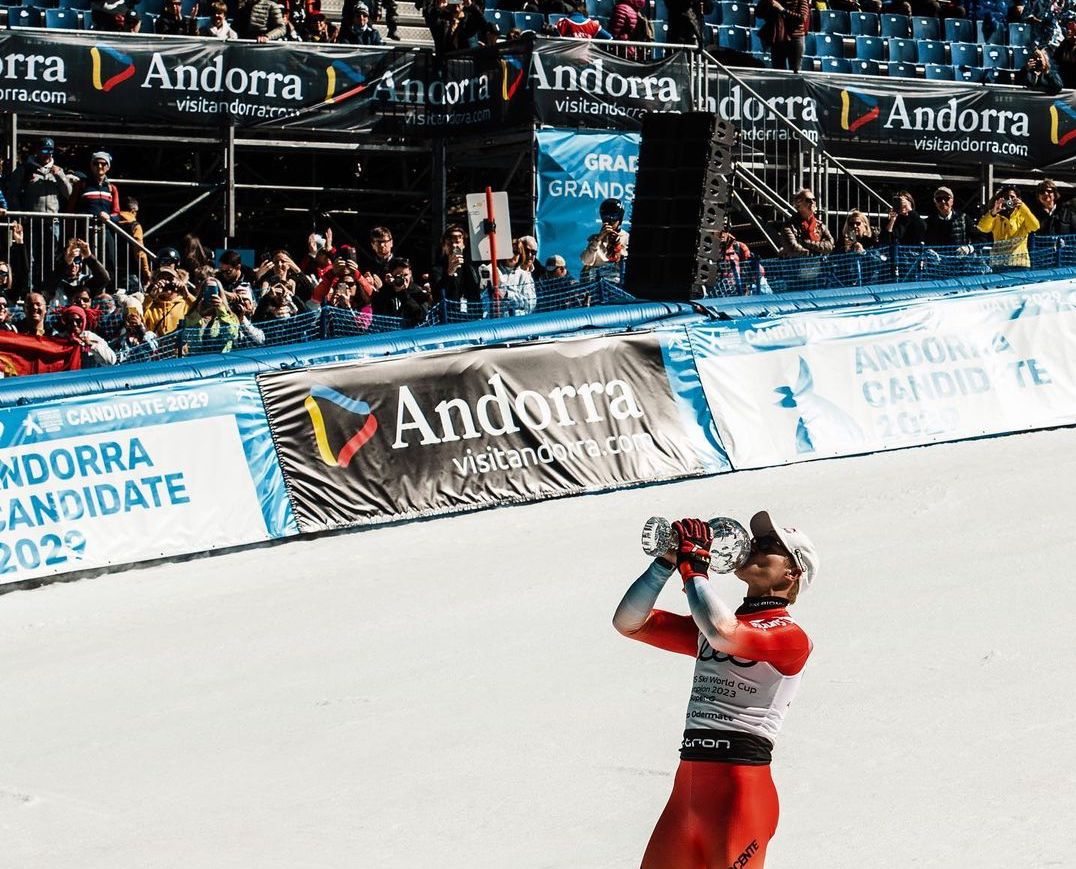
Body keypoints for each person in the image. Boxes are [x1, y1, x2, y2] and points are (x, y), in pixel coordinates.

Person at [613, 512, 818, 869]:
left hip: (741, 792)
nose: (754, 547)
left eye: (769, 546)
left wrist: (695, 570)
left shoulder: (791, 637)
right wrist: (666, 563)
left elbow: (724, 633)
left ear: (792, 572)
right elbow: (630, 623)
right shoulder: (715, 626)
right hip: (688, 789)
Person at [977, 184, 1040, 271]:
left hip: (1020, 264)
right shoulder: (996, 217)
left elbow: (1035, 226)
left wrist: (1023, 207)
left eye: (1012, 197)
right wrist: (993, 212)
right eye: (1006, 197)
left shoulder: (1023, 216)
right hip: (999, 264)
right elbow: (982, 228)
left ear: (1018, 199)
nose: (1009, 200)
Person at [581, 197, 630, 279]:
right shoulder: (595, 239)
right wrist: (598, 239)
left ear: (620, 219)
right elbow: (586, 260)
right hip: (598, 283)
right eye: (606, 219)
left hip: (618, 283)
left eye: (613, 219)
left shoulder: (627, 238)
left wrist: (617, 246)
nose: (610, 223)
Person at [756, 0, 810, 72]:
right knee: (778, 72)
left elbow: (801, 18)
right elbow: (758, 14)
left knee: (795, 72)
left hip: (795, 39)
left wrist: (782, 9)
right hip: (778, 38)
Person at [779, 189, 834, 258]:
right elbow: (793, 249)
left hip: (817, 266)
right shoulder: (789, 226)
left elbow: (830, 246)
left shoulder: (820, 225)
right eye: (808, 200)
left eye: (814, 200)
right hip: (795, 266)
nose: (812, 202)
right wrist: (815, 253)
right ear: (798, 204)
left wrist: (808, 243)